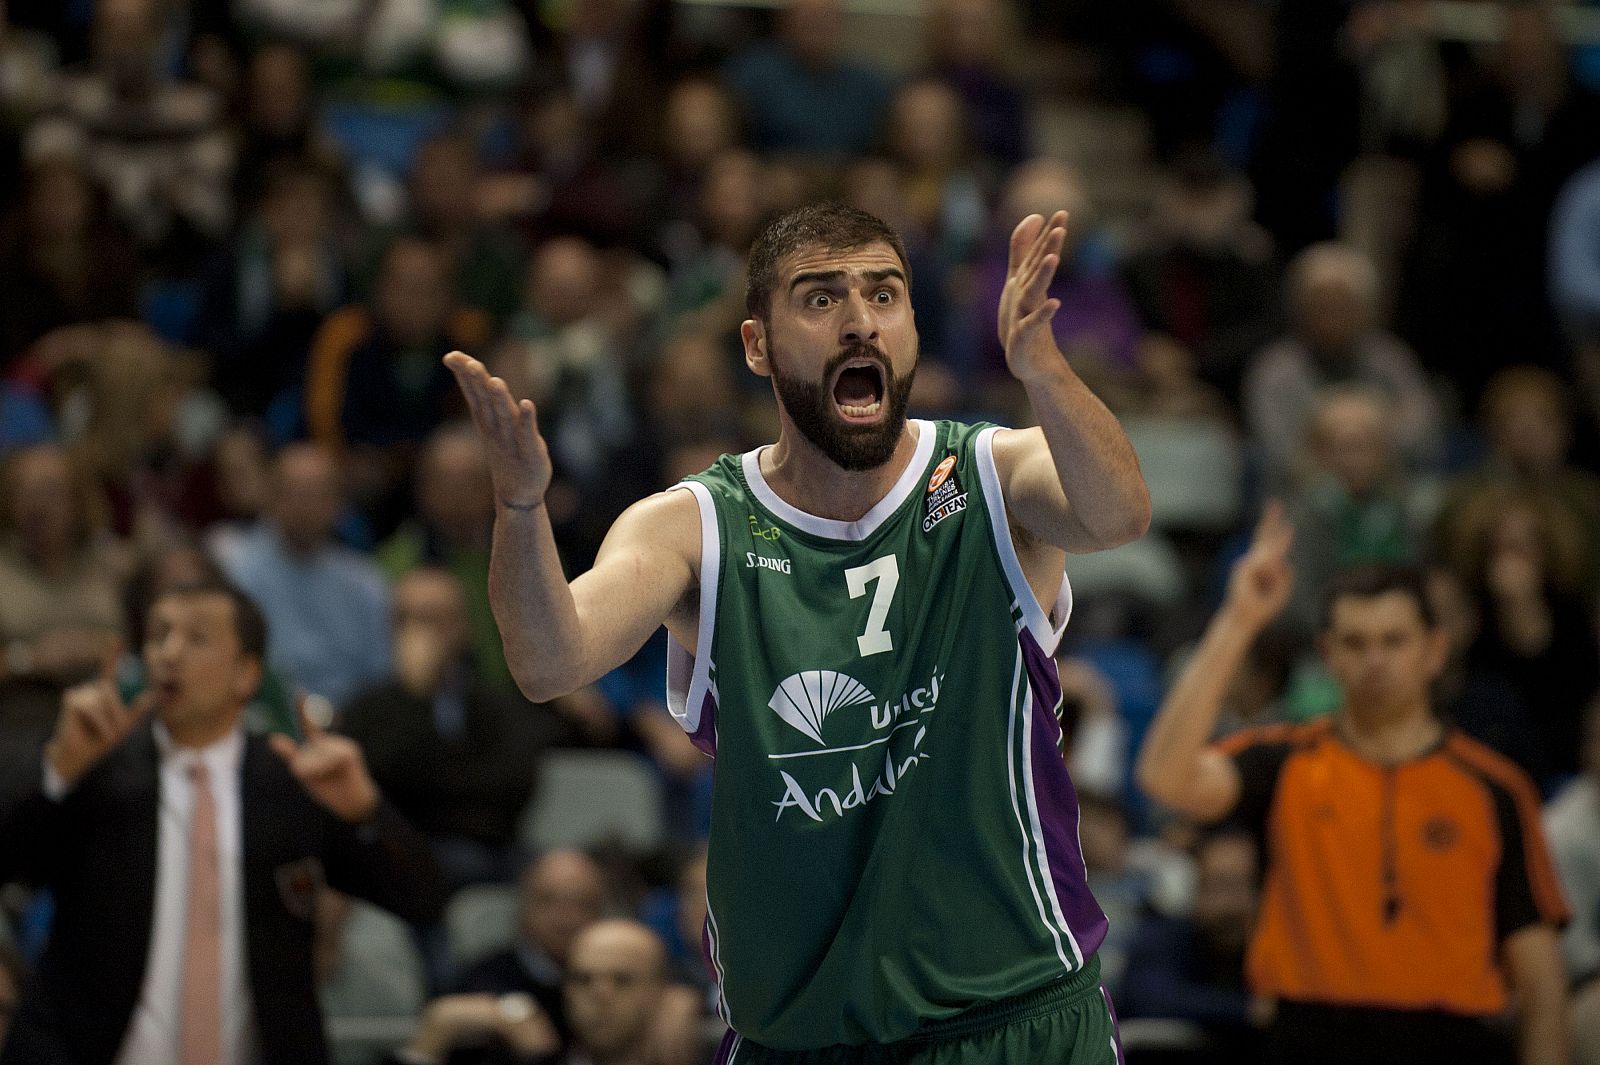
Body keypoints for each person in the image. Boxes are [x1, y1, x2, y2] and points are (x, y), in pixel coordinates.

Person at [445, 202, 1151, 1060]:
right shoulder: (694, 524)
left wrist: (1044, 371)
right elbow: (550, 661)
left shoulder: (992, 475)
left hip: (1016, 1016)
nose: (860, 323)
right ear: (755, 346)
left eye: (885, 296)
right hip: (801, 1035)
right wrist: (521, 510)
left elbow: (1117, 513)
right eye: (821, 300)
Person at [1136, 508, 1570, 1065]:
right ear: (1329, 654)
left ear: (1433, 651)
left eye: (1394, 641)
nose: (1376, 660)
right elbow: (1164, 778)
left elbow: (1540, 980)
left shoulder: (1494, 788)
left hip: (1453, 1042)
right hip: (1309, 1036)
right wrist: (1239, 621)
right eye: (1356, 642)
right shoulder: (1286, 761)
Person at [0, 579, 446, 1065]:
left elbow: (423, 900)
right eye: (159, 634)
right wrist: (57, 777)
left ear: (246, 675)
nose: (169, 653)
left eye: (197, 638)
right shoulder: (96, 767)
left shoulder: (292, 781)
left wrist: (367, 812)